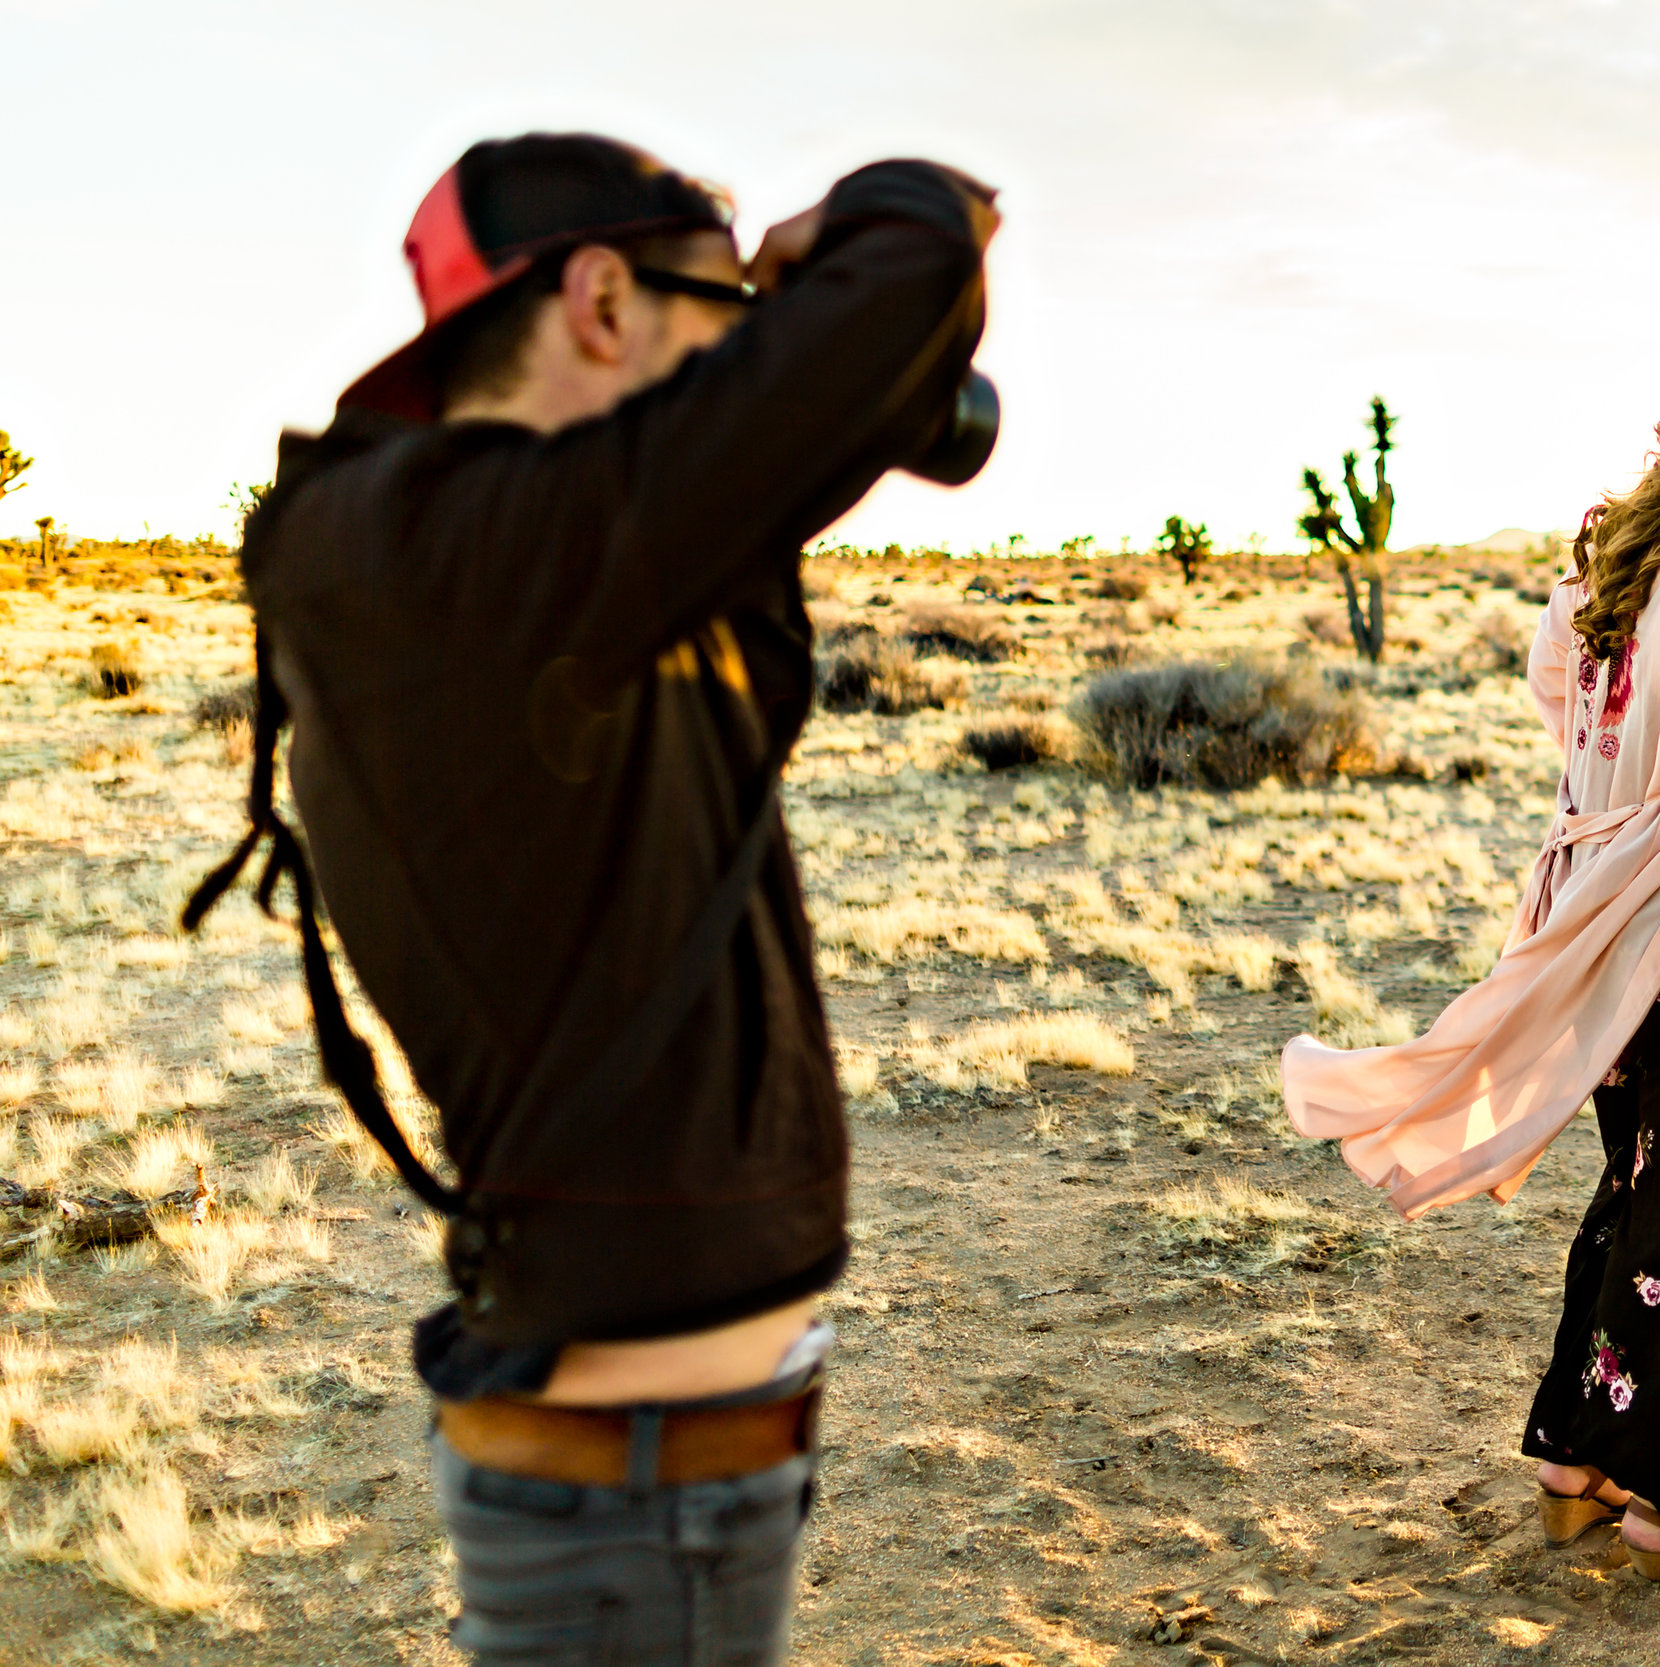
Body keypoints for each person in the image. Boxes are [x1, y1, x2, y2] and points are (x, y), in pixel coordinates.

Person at [185, 133, 996, 1663]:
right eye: (722, 315)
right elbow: (923, 251)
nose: (746, 357)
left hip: (670, 1472)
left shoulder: (532, 574)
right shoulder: (438, 555)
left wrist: (805, 376)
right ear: (604, 300)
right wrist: (856, 231)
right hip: (636, 1504)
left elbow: (765, 492)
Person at [1281, 348, 1660, 1579]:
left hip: (1595, 920)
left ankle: (1570, 1465)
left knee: (1637, 1191)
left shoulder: (1621, 558)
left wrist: (1622, 787)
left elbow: (1556, 684)